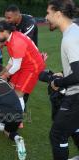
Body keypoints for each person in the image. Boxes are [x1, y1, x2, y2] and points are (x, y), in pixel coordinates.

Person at [45, 0, 79, 159]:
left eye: (48, 13)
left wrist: (57, 82)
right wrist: (64, 74)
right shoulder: (74, 31)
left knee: (57, 135)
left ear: (58, 14)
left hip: (76, 95)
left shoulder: (70, 38)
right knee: (74, 127)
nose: (46, 17)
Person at [0, 20, 45, 117]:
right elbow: (13, 60)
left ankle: (16, 121)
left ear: (5, 31)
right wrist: (2, 73)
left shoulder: (16, 41)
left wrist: (4, 76)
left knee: (18, 94)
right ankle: (12, 114)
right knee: (12, 88)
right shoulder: (12, 37)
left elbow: (16, 65)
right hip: (23, 65)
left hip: (32, 67)